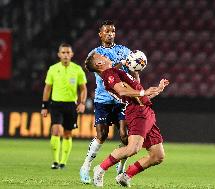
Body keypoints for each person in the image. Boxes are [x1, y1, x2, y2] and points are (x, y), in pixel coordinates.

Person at [84, 52, 169, 187]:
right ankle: (100, 169)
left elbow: (139, 96)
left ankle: (125, 176)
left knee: (157, 156)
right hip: (136, 112)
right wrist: (144, 92)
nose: (106, 56)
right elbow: (123, 92)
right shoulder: (109, 74)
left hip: (146, 111)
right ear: (99, 64)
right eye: (102, 56)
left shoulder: (116, 72)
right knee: (132, 149)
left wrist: (157, 90)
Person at [79, 20, 139, 184]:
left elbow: (132, 69)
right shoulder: (95, 54)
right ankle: (86, 165)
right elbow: (104, 73)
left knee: (125, 136)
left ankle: (120, 169)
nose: (110, 34)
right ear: (100, 34)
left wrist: (135, 65)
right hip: (103, 99)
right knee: (102, 135)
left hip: (121, 99)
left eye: (112, 31)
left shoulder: (123, 50)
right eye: (107, 31)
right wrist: (123, 64)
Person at [41, 43, 87, 169]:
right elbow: (47, 88)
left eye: (68, 52)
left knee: (67, 133)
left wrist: (82, 103)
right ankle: (55, 161)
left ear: (71, 54)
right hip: (56, 104)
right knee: (55, 130)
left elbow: (83, 89)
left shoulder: (77, 70)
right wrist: (44, 106)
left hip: (71, 105)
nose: (66, 55)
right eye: (63, 52)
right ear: (59, 55)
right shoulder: (53, 69)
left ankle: (63, 162)